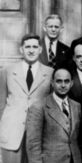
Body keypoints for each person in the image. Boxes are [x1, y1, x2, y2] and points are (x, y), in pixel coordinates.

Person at [0, 34, 53, 163]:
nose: (31, 50)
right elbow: (1, 104)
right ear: (21, 49)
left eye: (35, 47)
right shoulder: (7, 71)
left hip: (38, 133)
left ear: (40, 50)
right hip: (11, 133)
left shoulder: (50, 72)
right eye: (27, 47)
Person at [26, 68, 82, 163]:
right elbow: (33, 145)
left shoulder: (77, 106)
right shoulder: (38, 107)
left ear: (71, 83)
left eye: (66, 81)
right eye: (59, 81)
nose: (63, 85)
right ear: (52, 83)